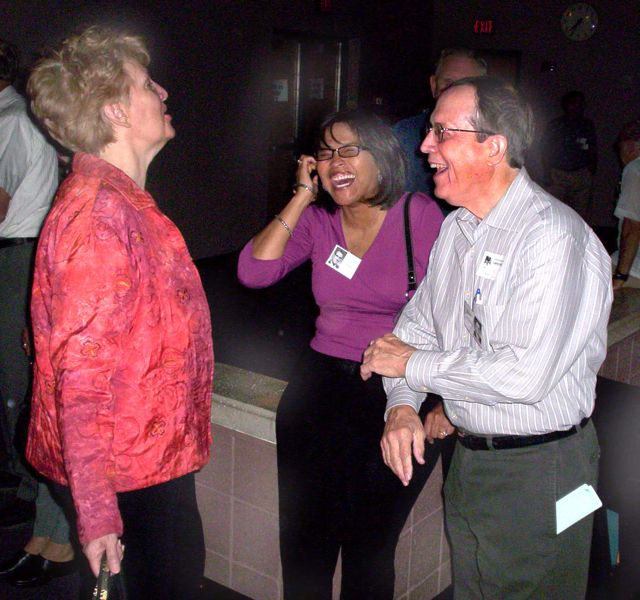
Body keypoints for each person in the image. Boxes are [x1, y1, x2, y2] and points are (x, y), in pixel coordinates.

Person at [362, 77, 613, 599]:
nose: (424, 145)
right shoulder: (458, 230)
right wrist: (403, 407)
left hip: (544, 469)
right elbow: (414, 330)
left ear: (493, 146)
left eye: (440, 132)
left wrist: (411, 368)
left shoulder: (552, 237)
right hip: (473, 460)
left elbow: (522, 374)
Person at [25, 25, 213, 599]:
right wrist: (98, 513)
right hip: (127, 472)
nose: (162, 92)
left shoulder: (120, 203)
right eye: (146, 84)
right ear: (115, 111)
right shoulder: (101, 218)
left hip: (146, 460)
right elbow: (80, 378)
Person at [238, 109, 446, 599]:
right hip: (318, 393)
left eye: (350, 149)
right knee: (304, 541)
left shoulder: (419, 215)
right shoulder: (317, 221)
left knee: (370, 547)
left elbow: (456, 313)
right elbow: (254, 271)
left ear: (384, 157)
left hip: (395, 392)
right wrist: (303, 194)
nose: (336, 162)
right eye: (326, 153)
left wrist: (444, 402)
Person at [0, 37, 57, 521]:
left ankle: (26, 483)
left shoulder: (11, 121)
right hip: (19, 253)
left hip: (16, 254)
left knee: (16, 372)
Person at [393, 48, 486, 198]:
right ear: (433, 85)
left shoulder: (493, 141)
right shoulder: (404, 136)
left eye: (465, 85)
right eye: (448, 83)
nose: (454, 92)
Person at [543, 90, 598, 222]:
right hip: (558, 174)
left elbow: (592, 148)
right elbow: (545, 149)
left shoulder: (587, 125)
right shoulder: (556, 125)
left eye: (581, 104)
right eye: (575, 103)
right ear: (567, 105)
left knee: (580, 216)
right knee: (553, 214)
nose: (578, 107)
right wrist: (548, 172)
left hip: (581, 174)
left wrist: (590, 171)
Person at [611, 118, 640, 290]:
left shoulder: (635, 169)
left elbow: (632, 226)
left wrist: (620, 276)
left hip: (636, 268)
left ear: (629, 146)